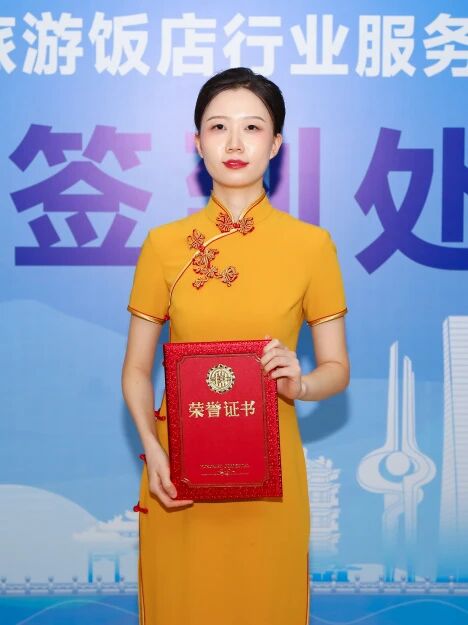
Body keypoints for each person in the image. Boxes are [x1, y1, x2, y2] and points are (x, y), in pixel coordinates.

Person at [121, 66, 350, 625]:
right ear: (197, 143)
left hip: (271, 477)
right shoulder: (164, 246)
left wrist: (301, 382)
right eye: (218, 126)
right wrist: (152, 449)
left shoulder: (311, 246)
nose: (234, 143)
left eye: (252, 127)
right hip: (179, 475)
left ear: (276, 144)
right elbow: (135, 370)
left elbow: (336, 368)